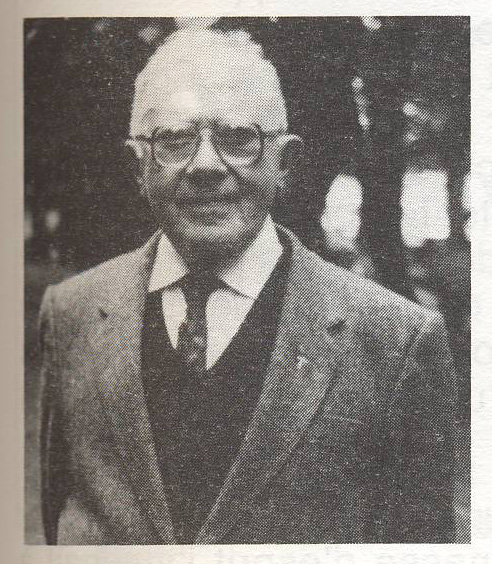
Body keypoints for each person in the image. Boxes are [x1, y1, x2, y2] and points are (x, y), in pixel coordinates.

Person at [39, 27, 457, 545]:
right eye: (174, 141)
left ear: (285, 163)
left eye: (239, 139)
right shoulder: (72, 313)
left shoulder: (396, 340)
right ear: (138, 167)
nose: (206, 166)